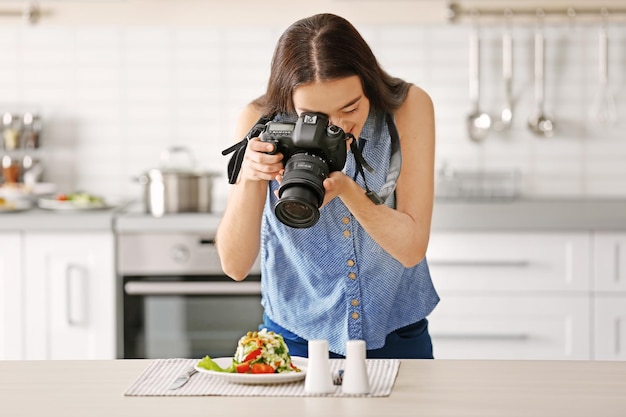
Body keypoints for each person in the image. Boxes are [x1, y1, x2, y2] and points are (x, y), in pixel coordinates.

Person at [216, 13, 439, 359]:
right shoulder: (261, 120)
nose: (338, 126)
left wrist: (349, 190)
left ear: (367, 85)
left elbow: (411, 248)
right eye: (314, 117)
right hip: (295, 341)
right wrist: (250, 174)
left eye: (350, 107)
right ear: (290, 104)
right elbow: (234, 265)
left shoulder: (407, 107)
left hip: (396, 335)